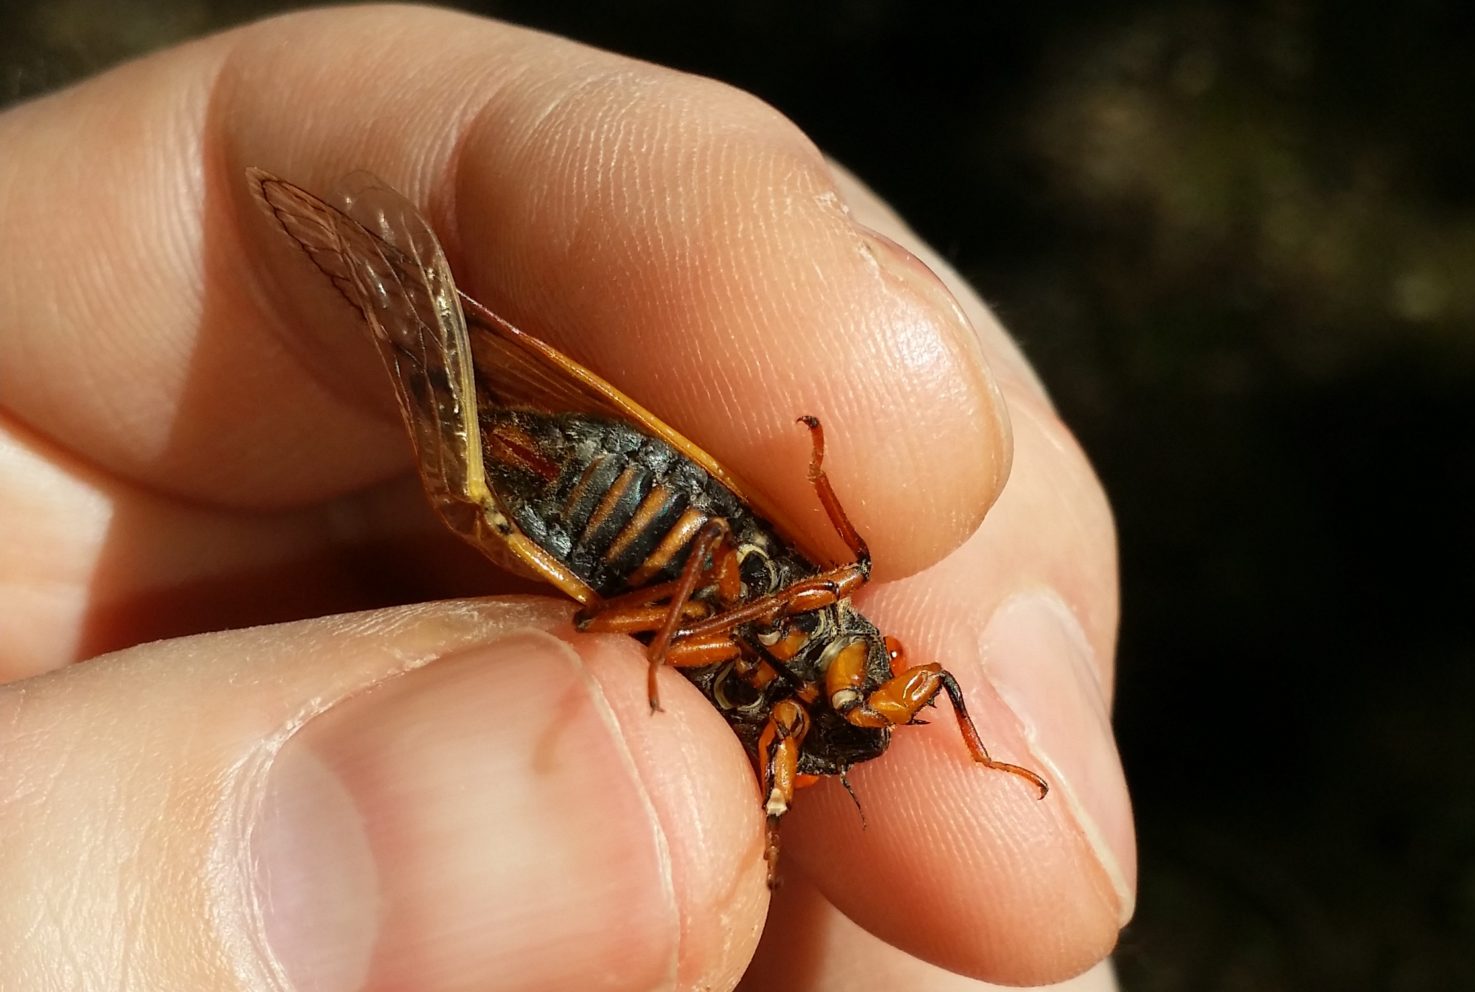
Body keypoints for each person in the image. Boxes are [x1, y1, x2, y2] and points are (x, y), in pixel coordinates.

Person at [0, 7, 1132, 990]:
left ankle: (434, 353)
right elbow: (839, 546)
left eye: (867, 702)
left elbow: (659, 659)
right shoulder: (842, 598)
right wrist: (827, 508)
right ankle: (444, 339)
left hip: (611, 562)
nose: (887, 683)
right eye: (887, 679)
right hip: (661, 489)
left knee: (546, 550)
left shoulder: (776, 707)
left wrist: (748, 761)